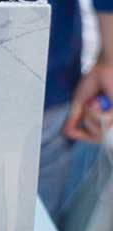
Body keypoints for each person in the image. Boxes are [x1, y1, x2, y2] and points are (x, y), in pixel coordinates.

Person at [40, 2, 113, 216]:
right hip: (45, 82)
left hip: (45, 86)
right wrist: (109, 60)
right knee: (33, 225)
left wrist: (108, 62)